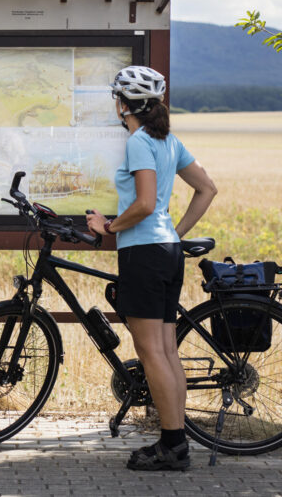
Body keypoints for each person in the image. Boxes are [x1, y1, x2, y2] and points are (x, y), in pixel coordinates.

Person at [85, 65, 216, 471]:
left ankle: (172, 446)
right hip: (167, 251)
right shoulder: (169, 140)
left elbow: (142, 204)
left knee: (150, 352)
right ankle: (176, 441)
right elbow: (207, 188)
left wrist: (108, 226)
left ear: (124, 105)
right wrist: (174, 232)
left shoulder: (140, 141)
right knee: (166, 350)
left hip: (144, 253)